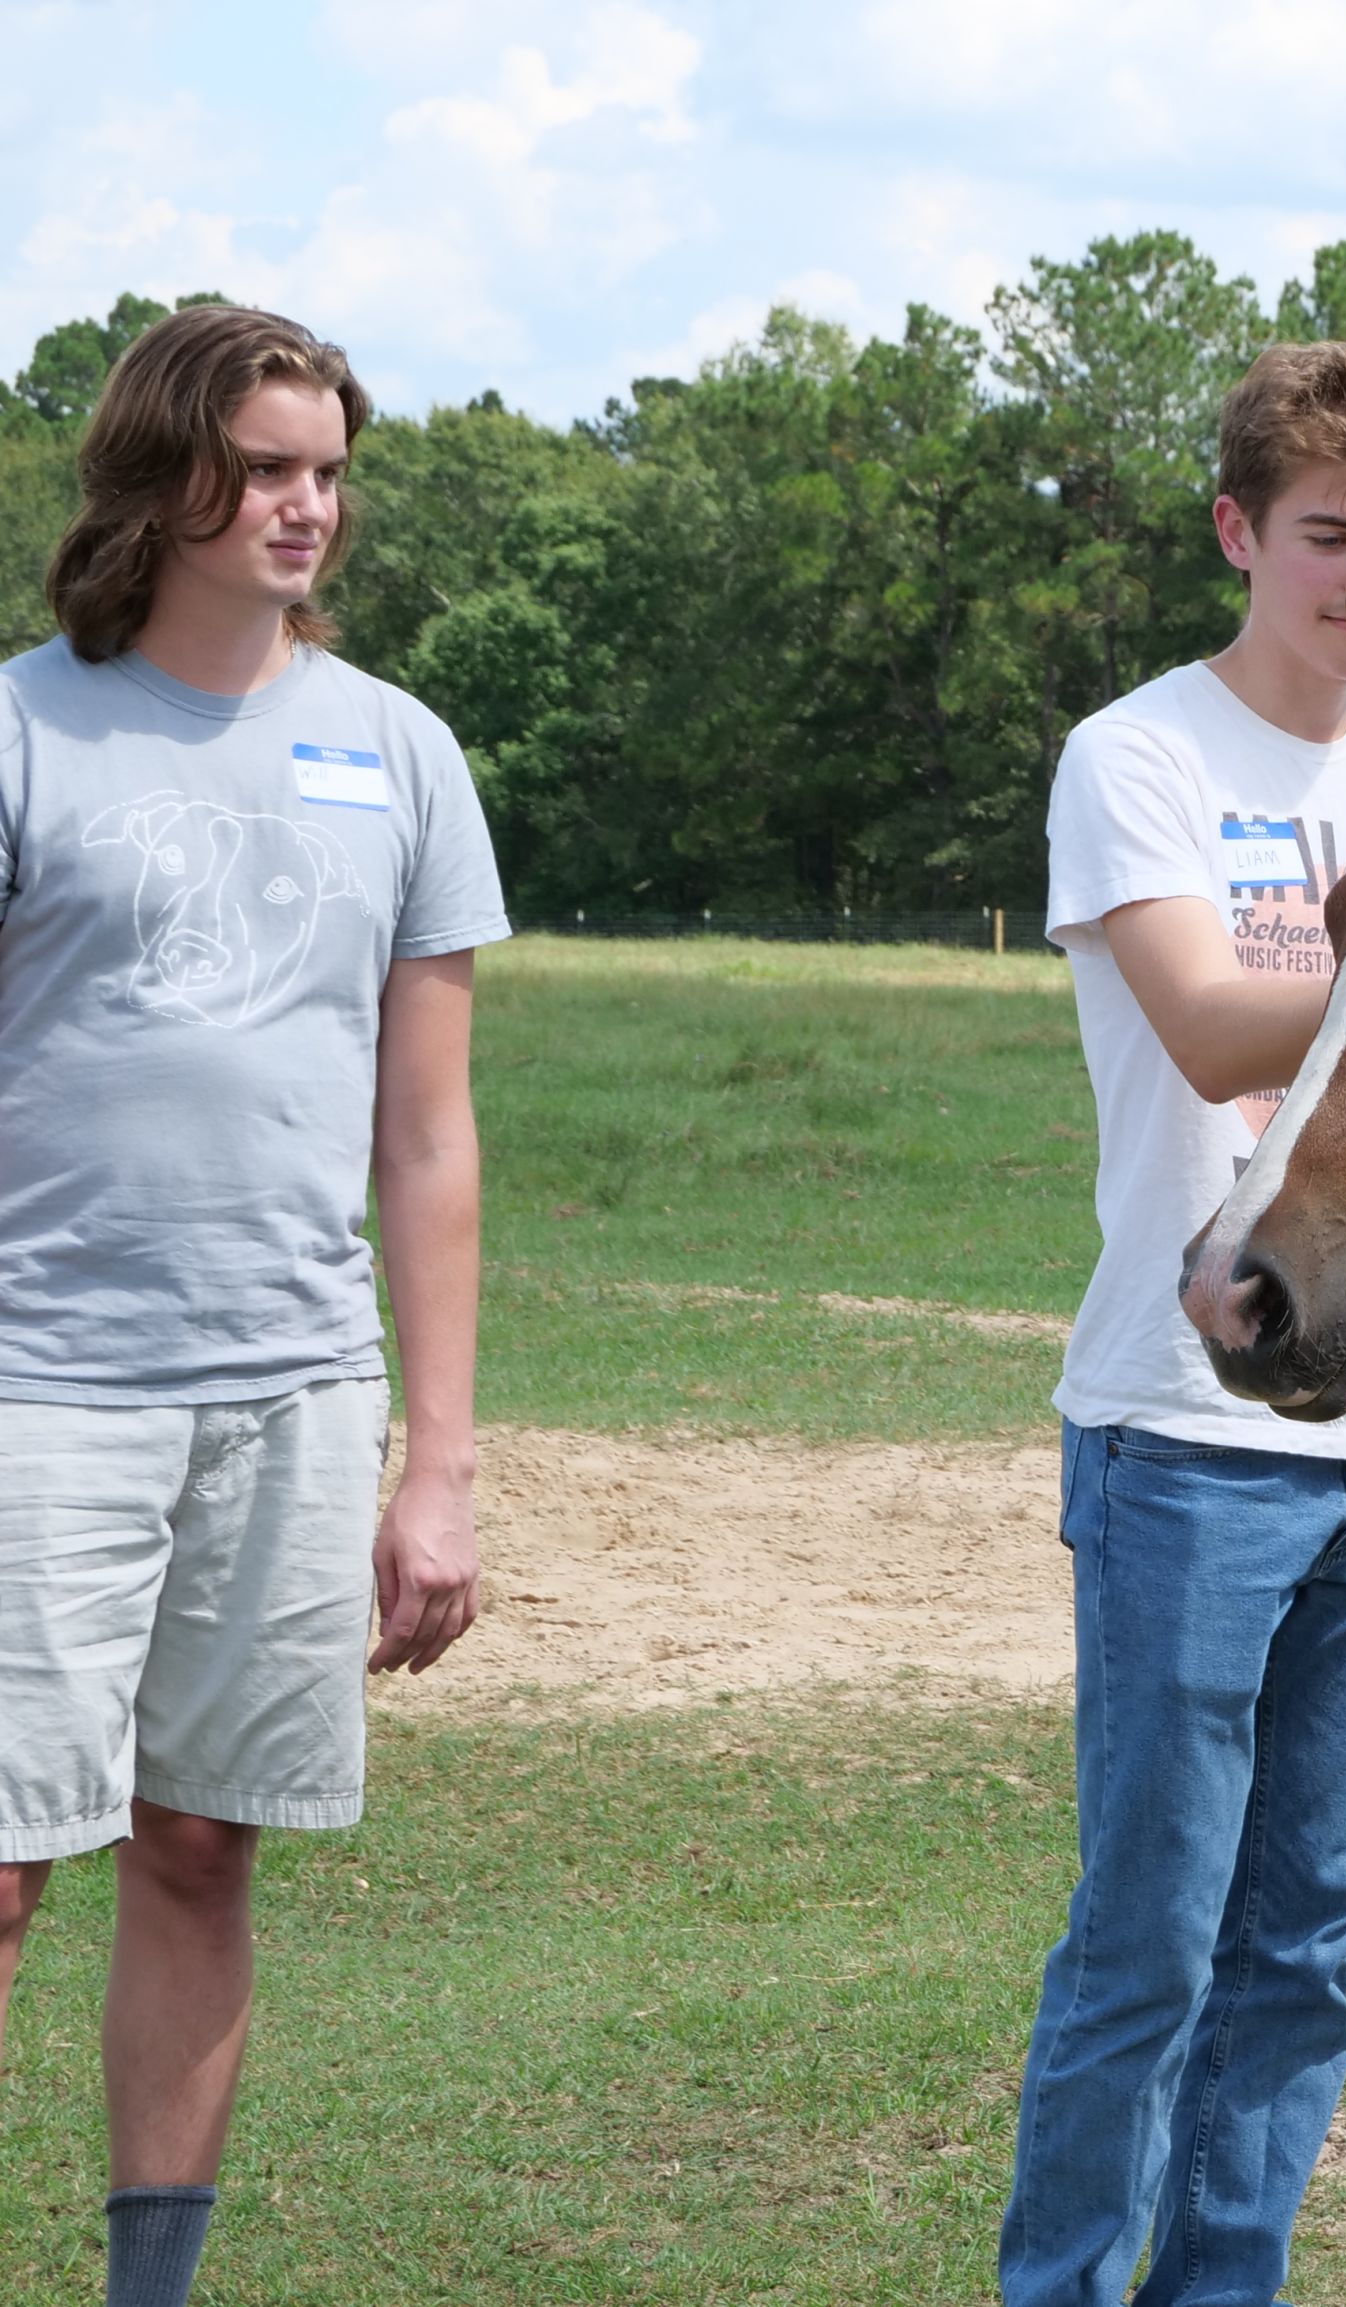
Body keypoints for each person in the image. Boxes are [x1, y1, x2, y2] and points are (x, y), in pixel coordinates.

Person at [0, 304, 503, 2307]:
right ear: (165, 478)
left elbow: (433, 1137)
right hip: (37, 1383)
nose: (308, 502)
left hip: (292, 1387)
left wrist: (438, 1460)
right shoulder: (27, 724)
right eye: (267, 466)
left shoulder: (399, 750)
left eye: (324, 468)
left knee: (201, 1848)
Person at [1001, 340, 1346, 2307]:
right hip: (1183, 1431)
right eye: (1326, 536)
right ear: (1235, 530)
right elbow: (1201, 1017)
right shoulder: (1142, 755)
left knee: (1307, 1939)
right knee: (1155, 1934)